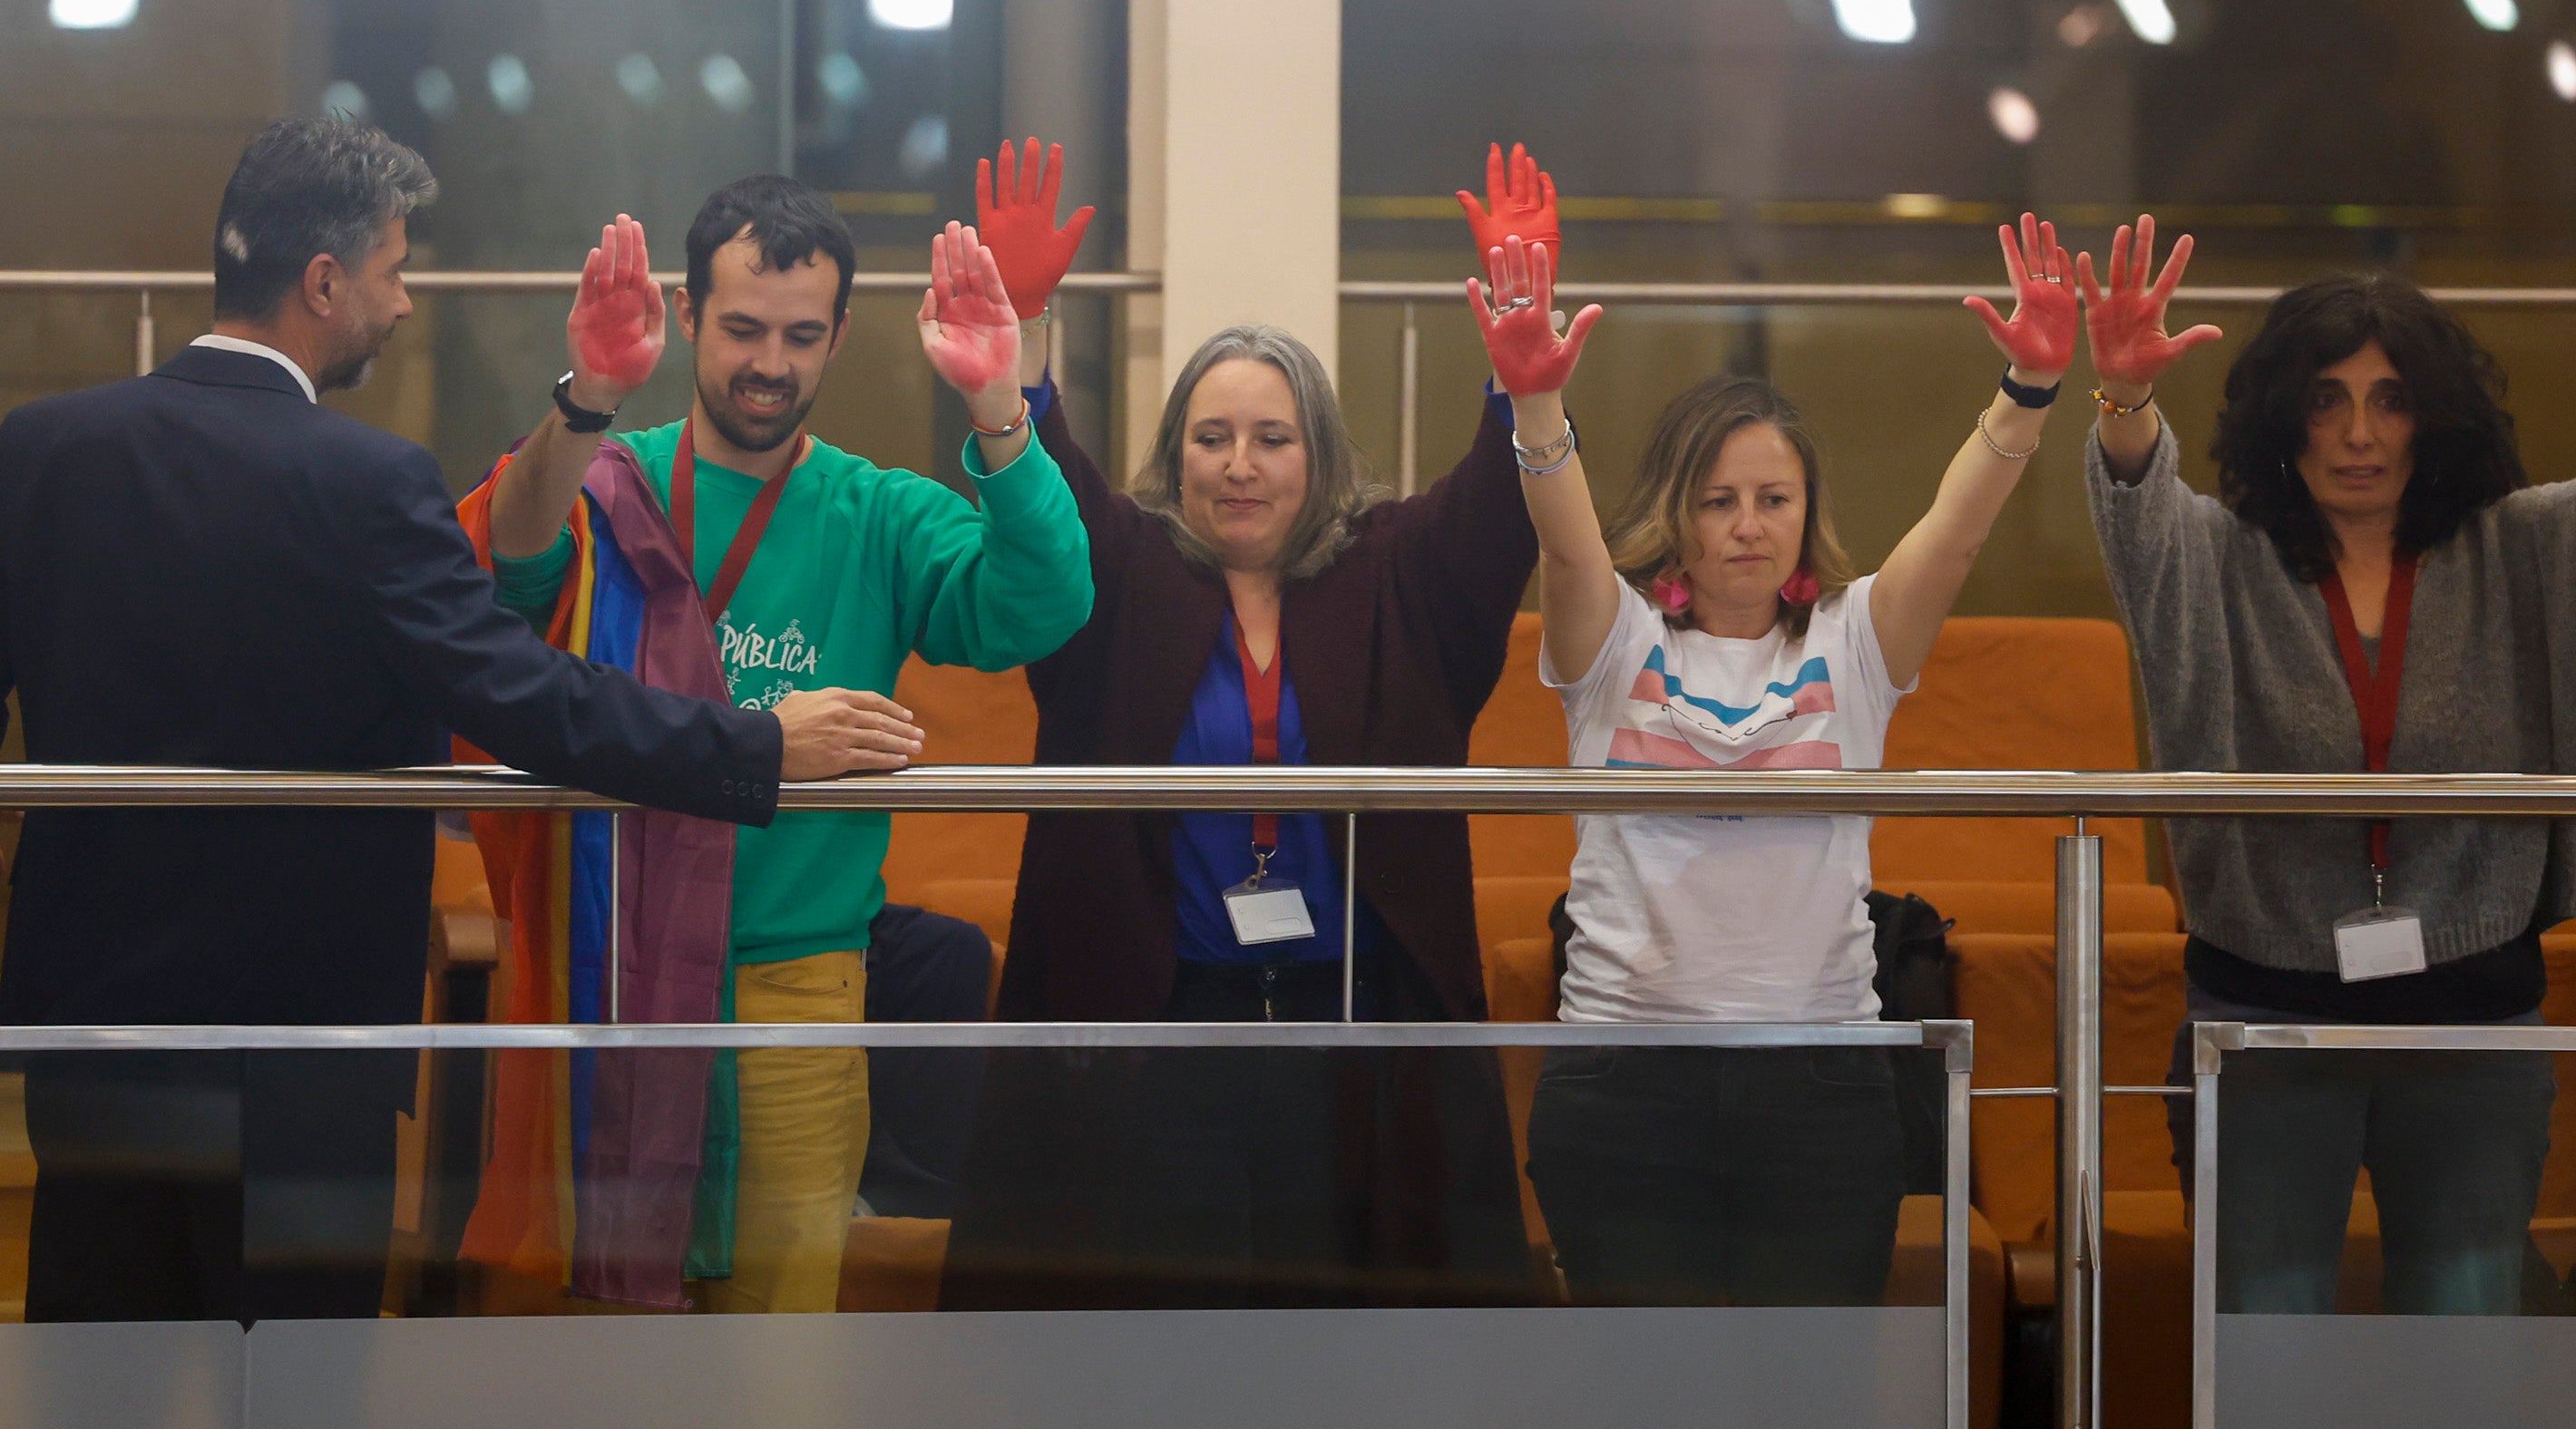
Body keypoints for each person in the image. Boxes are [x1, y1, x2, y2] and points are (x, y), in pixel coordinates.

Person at [0, 117, 922, 1326]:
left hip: (89, 1031)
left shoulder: (37, 452)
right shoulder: (368, 480)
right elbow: (526, 696)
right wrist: (756, 743)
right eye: (391, 271)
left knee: (90, 1384)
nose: (400, 303)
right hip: (307, 1038)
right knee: (296, 1409)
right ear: (323, 283)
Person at [2086, 219, 2576, 1314]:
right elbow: (2142, 518)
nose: (2359, 433)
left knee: (2462, 1362)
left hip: (2471, 1026)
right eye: (2327, 399)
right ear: (2286, 418)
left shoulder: (2517, 546)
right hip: (2265, 1023)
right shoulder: (2224, 559)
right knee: (2263, 1371)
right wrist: (2129, 401)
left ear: (2435, 414)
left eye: (2390, 397)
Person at [472, 174, 1093, 1313]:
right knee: (599, 1353)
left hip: (797, 987)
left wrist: (1001, 406)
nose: (772, 363)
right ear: (689, 315)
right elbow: (510, 567)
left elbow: (1044, 606)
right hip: (614, 976)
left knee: (782, 1362)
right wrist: (590, 395)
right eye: (745, 329)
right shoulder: (611, 479)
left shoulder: (882, 513)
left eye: (803, 337)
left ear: (842, 336)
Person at [943, 138, 1534, 1306]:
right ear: (1177, 452)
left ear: (1320, 455)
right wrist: (1013, 360)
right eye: (1212, 438)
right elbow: (1044, 498)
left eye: (1273, 438)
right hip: (1159, 1037)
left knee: (1340, 1349)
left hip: (1350, 1034)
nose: (1240, 466)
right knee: (1163, 1336)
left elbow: (1495, 516)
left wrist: (1520, 376)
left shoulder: (1395, 567)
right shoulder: (1122, 568)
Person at [1488, 214, 2073, 1305]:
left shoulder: (1855, 641)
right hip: (1626, 1084)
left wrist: (2027, 389)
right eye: (1719, 500)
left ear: (1807, 515)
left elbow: (1954, 532)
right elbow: (1567, 544)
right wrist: (1536, 404)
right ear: (1679, 510)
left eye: (1774, 499)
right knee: (1647, 1422)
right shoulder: (1615, 639)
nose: (1748, 526)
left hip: (1821, 1090)